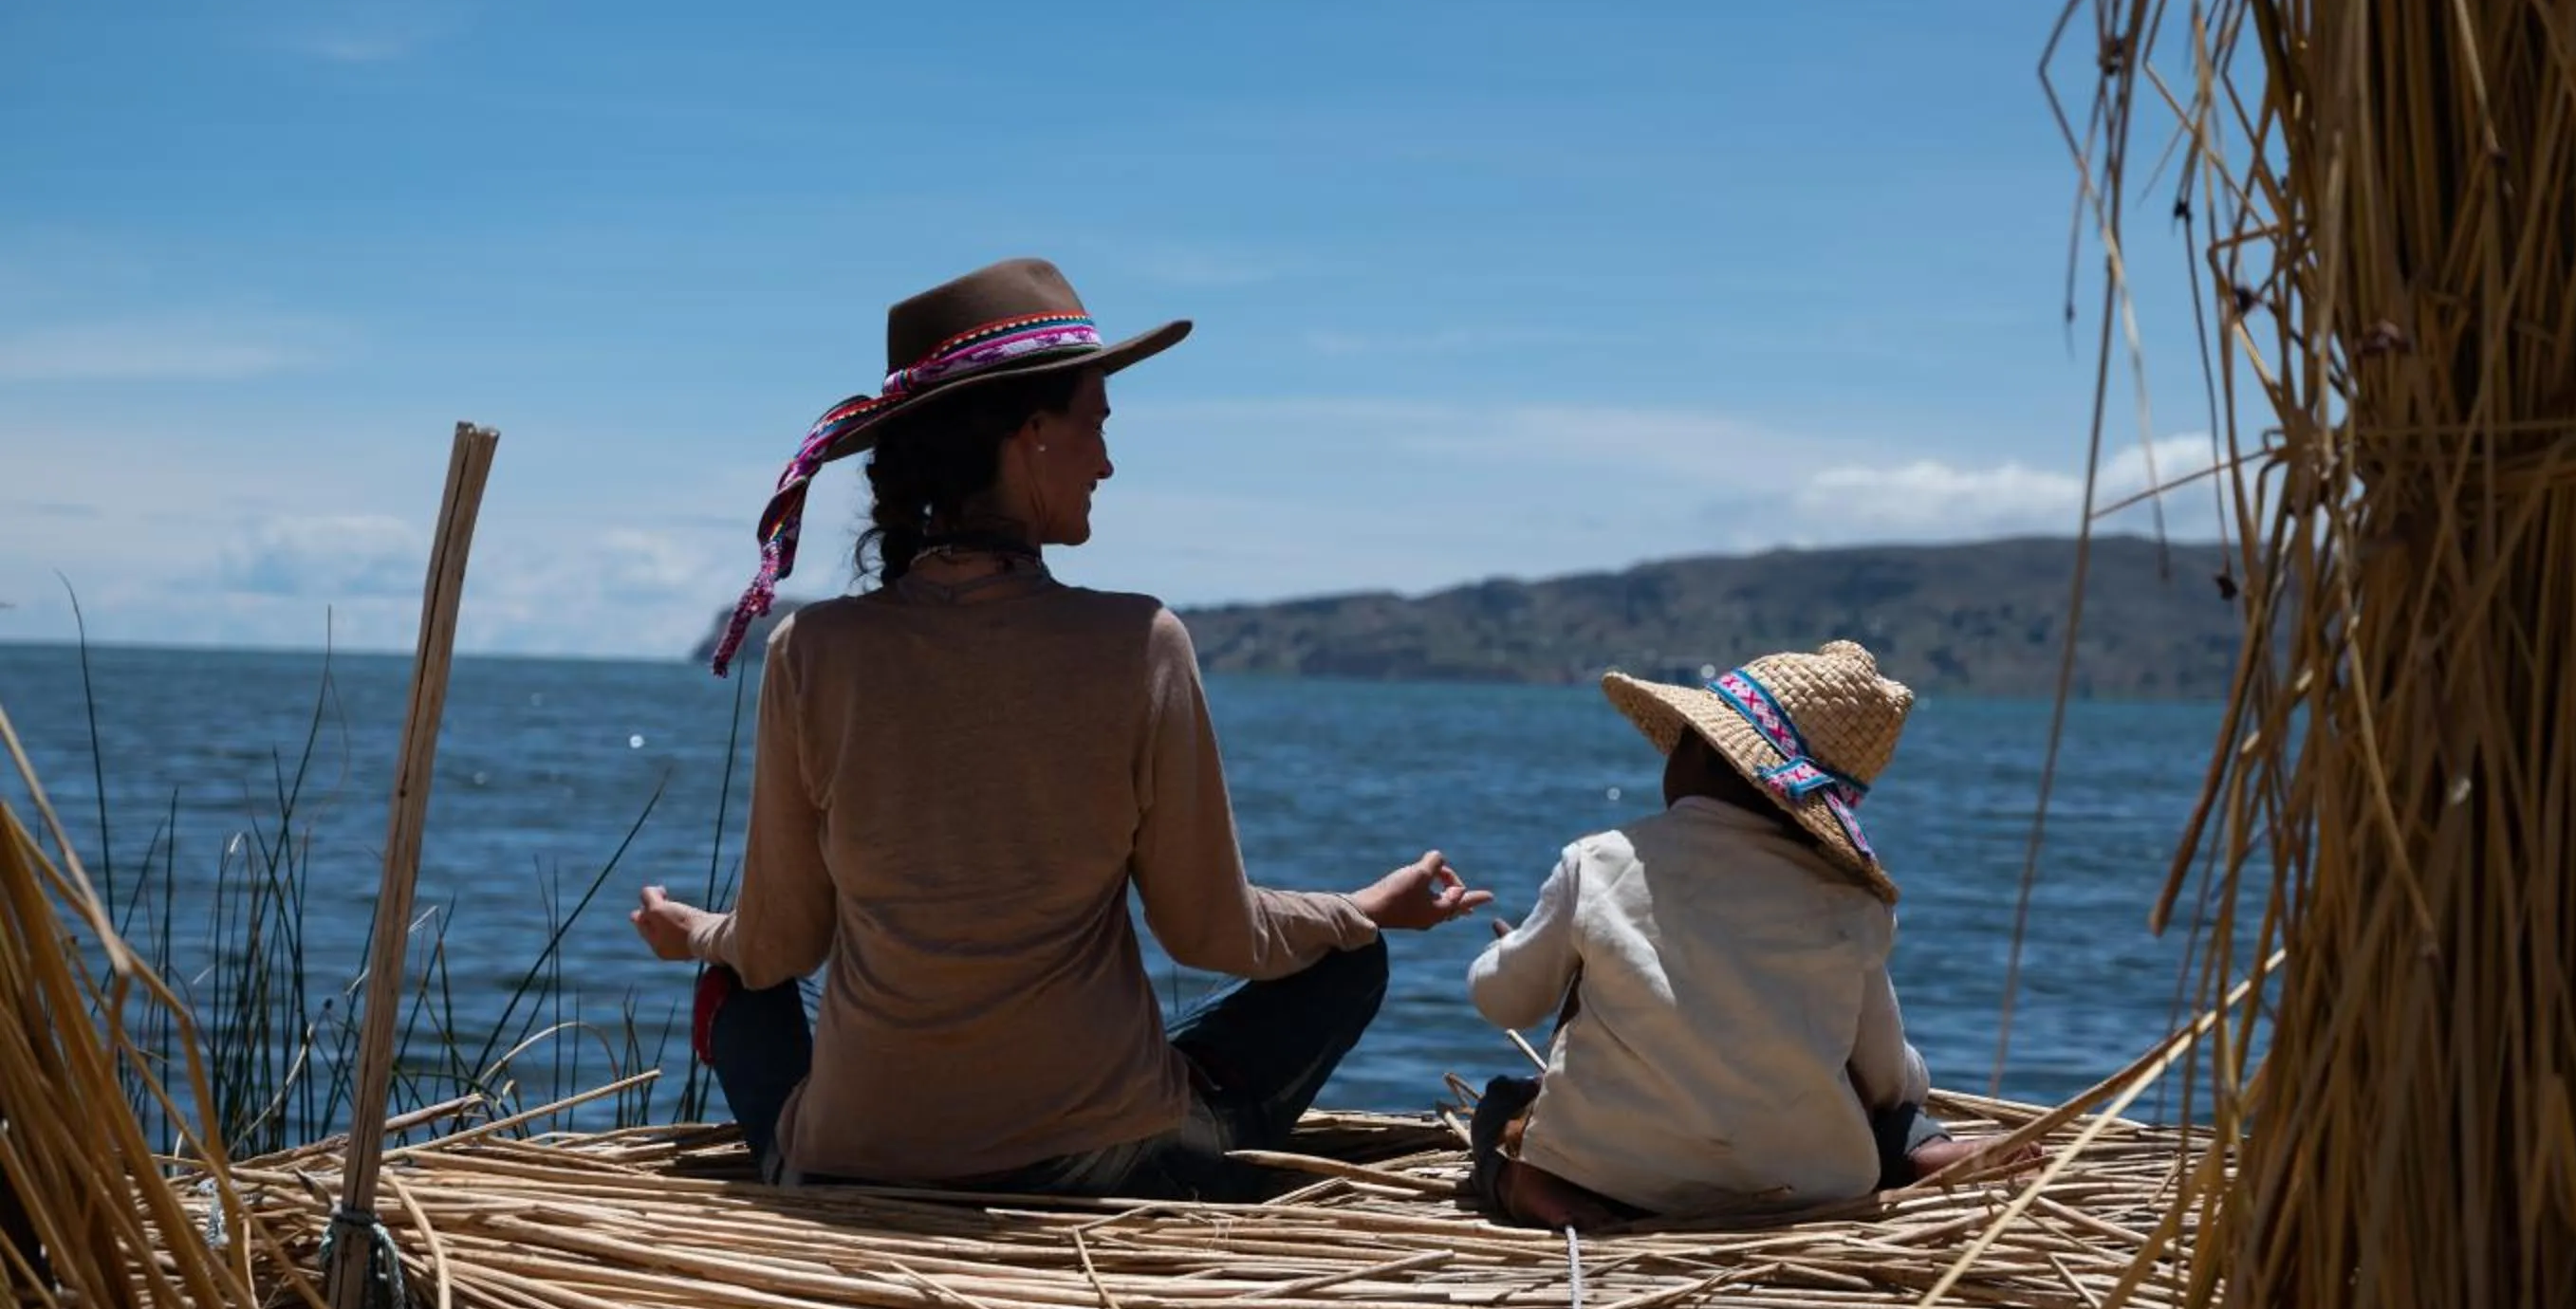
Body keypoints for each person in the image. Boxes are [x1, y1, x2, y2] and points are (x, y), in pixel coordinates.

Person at [630, 257, 1492, 1197]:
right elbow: (1212, 933)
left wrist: (696, 933)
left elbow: (779, 946)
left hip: (856, 1157)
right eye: (1097, 425)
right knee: (1346, 964)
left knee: (738, 985)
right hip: (1093, 1163)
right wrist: (1363, 911)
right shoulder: (1140, 642)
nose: (1108, 462)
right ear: (1031, 436)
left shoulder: (810, 650)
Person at [1465, 639, 1996, 1230]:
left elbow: (1504, 1000)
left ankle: (1527, 1183)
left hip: (1610, 1174)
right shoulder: (1851, 903)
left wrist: (1503, 953)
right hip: (1799, 1186)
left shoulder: (1599, 862)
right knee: (1887, 1116)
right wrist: (1908, 1091)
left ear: (1698, 750)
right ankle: (1924, 1150)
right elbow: (1886, 1076)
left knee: (1500, 1103)